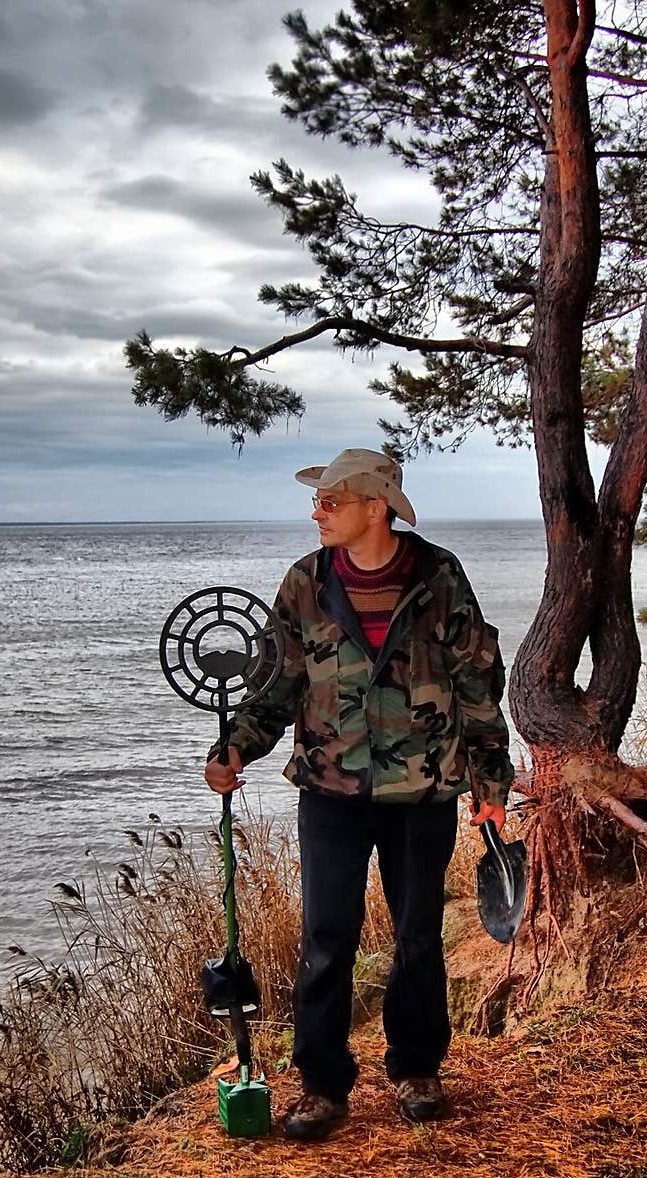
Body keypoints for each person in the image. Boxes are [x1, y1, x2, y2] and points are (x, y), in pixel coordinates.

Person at [204, 448, 514, 1141]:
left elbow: (477, 685)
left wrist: (491, 783)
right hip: (331, 792)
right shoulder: (304, 584)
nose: (316, 512)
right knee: (325, 938)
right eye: (318, 502)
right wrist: (233, 748)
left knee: (416, 937)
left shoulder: (439, 577)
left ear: (376, 506)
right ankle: (321, 1085)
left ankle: (416, 1068)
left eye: (331, 501)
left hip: (423, 790)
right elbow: (274, 687)